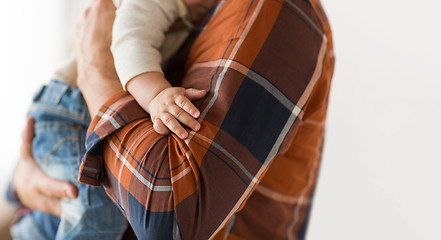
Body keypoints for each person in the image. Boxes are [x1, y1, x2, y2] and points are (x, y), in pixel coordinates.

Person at [13, 0, 335, 239]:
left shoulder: (274, 12)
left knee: (84, 214)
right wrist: (17, 187)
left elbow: (168, 222)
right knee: (92, 215)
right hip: (70, 110)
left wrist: (97, 71)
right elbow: (129, 37)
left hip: (73, 111)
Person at [7, 0, 214, 239]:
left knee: (79, 205)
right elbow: (130, 43)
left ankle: (34, 230)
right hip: (74, 107)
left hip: (70, 105)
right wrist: (156, 95)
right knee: (97, 214)